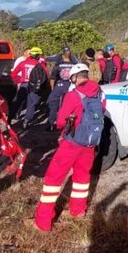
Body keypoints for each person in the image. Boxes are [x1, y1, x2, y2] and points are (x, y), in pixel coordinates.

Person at [32, 63, 106, 232]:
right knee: (82, 176)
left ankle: (42, 222)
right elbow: (102, 112)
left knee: (53, 178)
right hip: (90, 143)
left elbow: (60, 121)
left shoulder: (73, 95)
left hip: (72, 142)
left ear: (74, 78)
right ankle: (78, 211)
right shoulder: (101, 93)